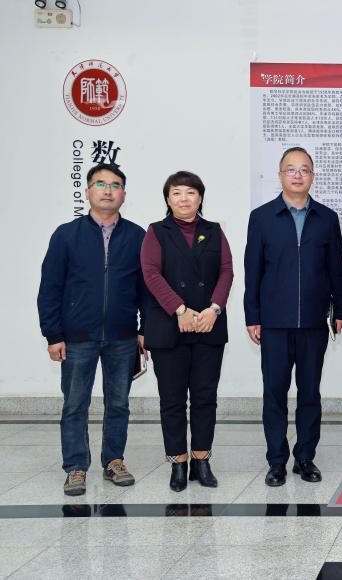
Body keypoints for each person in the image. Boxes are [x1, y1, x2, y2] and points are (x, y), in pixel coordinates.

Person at [38, 163, 146, 496]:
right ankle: (75, 467)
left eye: (115, 185)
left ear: (124, 194)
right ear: (87, 192)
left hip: (122, 336)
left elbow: (146, 289)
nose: (108, 190)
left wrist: (145, 329)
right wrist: (53, 335)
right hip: (76, 337)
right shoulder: (66, 235)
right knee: (74, 404)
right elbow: (50, 288)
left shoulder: (137, 236)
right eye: (100, 184)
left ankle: (114, 460)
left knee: (119, 403)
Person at [244, 147, 342, 487]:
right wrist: (252, 315)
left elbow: (336, 269)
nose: (298, 175)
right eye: (291, 169)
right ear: (280, 175)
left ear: (312, 176)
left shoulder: (327, 218)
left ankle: (305, 457)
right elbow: (252, 271)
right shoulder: (262, 218)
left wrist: (341, 310)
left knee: (309, 393)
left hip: (314, 322)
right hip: (274, 322)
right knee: (274, 392)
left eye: (304, 169)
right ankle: (276, 461)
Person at [142, 171, 233, 491]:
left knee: (205, 398)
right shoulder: (156, 232)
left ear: (200, 198)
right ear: (168, 199)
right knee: (173, 399)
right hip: (169, 326)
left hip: (208, 325)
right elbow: (151, 274)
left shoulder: (214, 230)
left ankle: (201, 460)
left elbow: (226, 271)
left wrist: (214, 309)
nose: (184, 198)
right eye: (177, 193)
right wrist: (179, 309)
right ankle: (178, 463)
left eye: (190, 192)